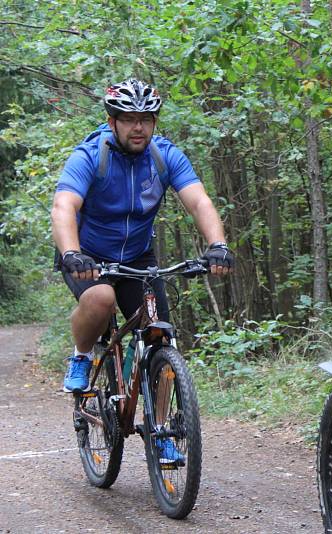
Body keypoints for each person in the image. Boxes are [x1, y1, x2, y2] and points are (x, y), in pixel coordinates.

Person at [51, 78, 234, 461]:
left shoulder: (165, 156)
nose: (139, 127)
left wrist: (217, 245)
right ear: (112, 121)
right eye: (130, 119)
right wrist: (71, 253)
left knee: (159, 338)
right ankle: (83, 355)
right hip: (88, 256)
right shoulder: (90, 155)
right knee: (100, 298)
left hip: (138, 256)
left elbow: (199, 202)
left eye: (146, 119)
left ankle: (162, 429)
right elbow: (64, 207)